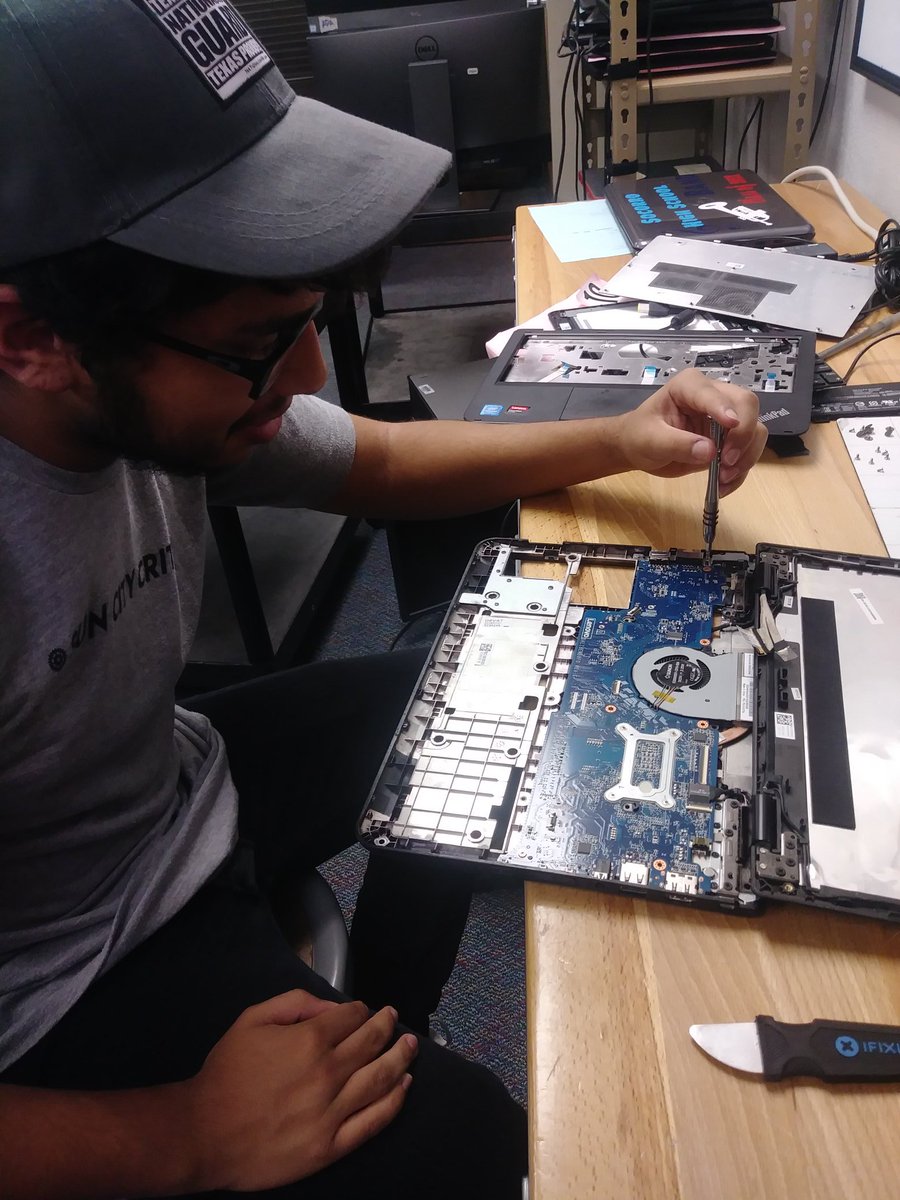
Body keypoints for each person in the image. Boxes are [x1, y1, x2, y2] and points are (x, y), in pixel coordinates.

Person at [0, 1, 768, 1197]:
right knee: (488, 1153)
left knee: (503, 675)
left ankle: (375, 1021)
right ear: (31, 339)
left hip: (160, 784)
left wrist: (622, 437)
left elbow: (382, 462)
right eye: (264, 342)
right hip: (60, 974)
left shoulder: (135, 376)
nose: (306, 379)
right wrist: (183, 1138)